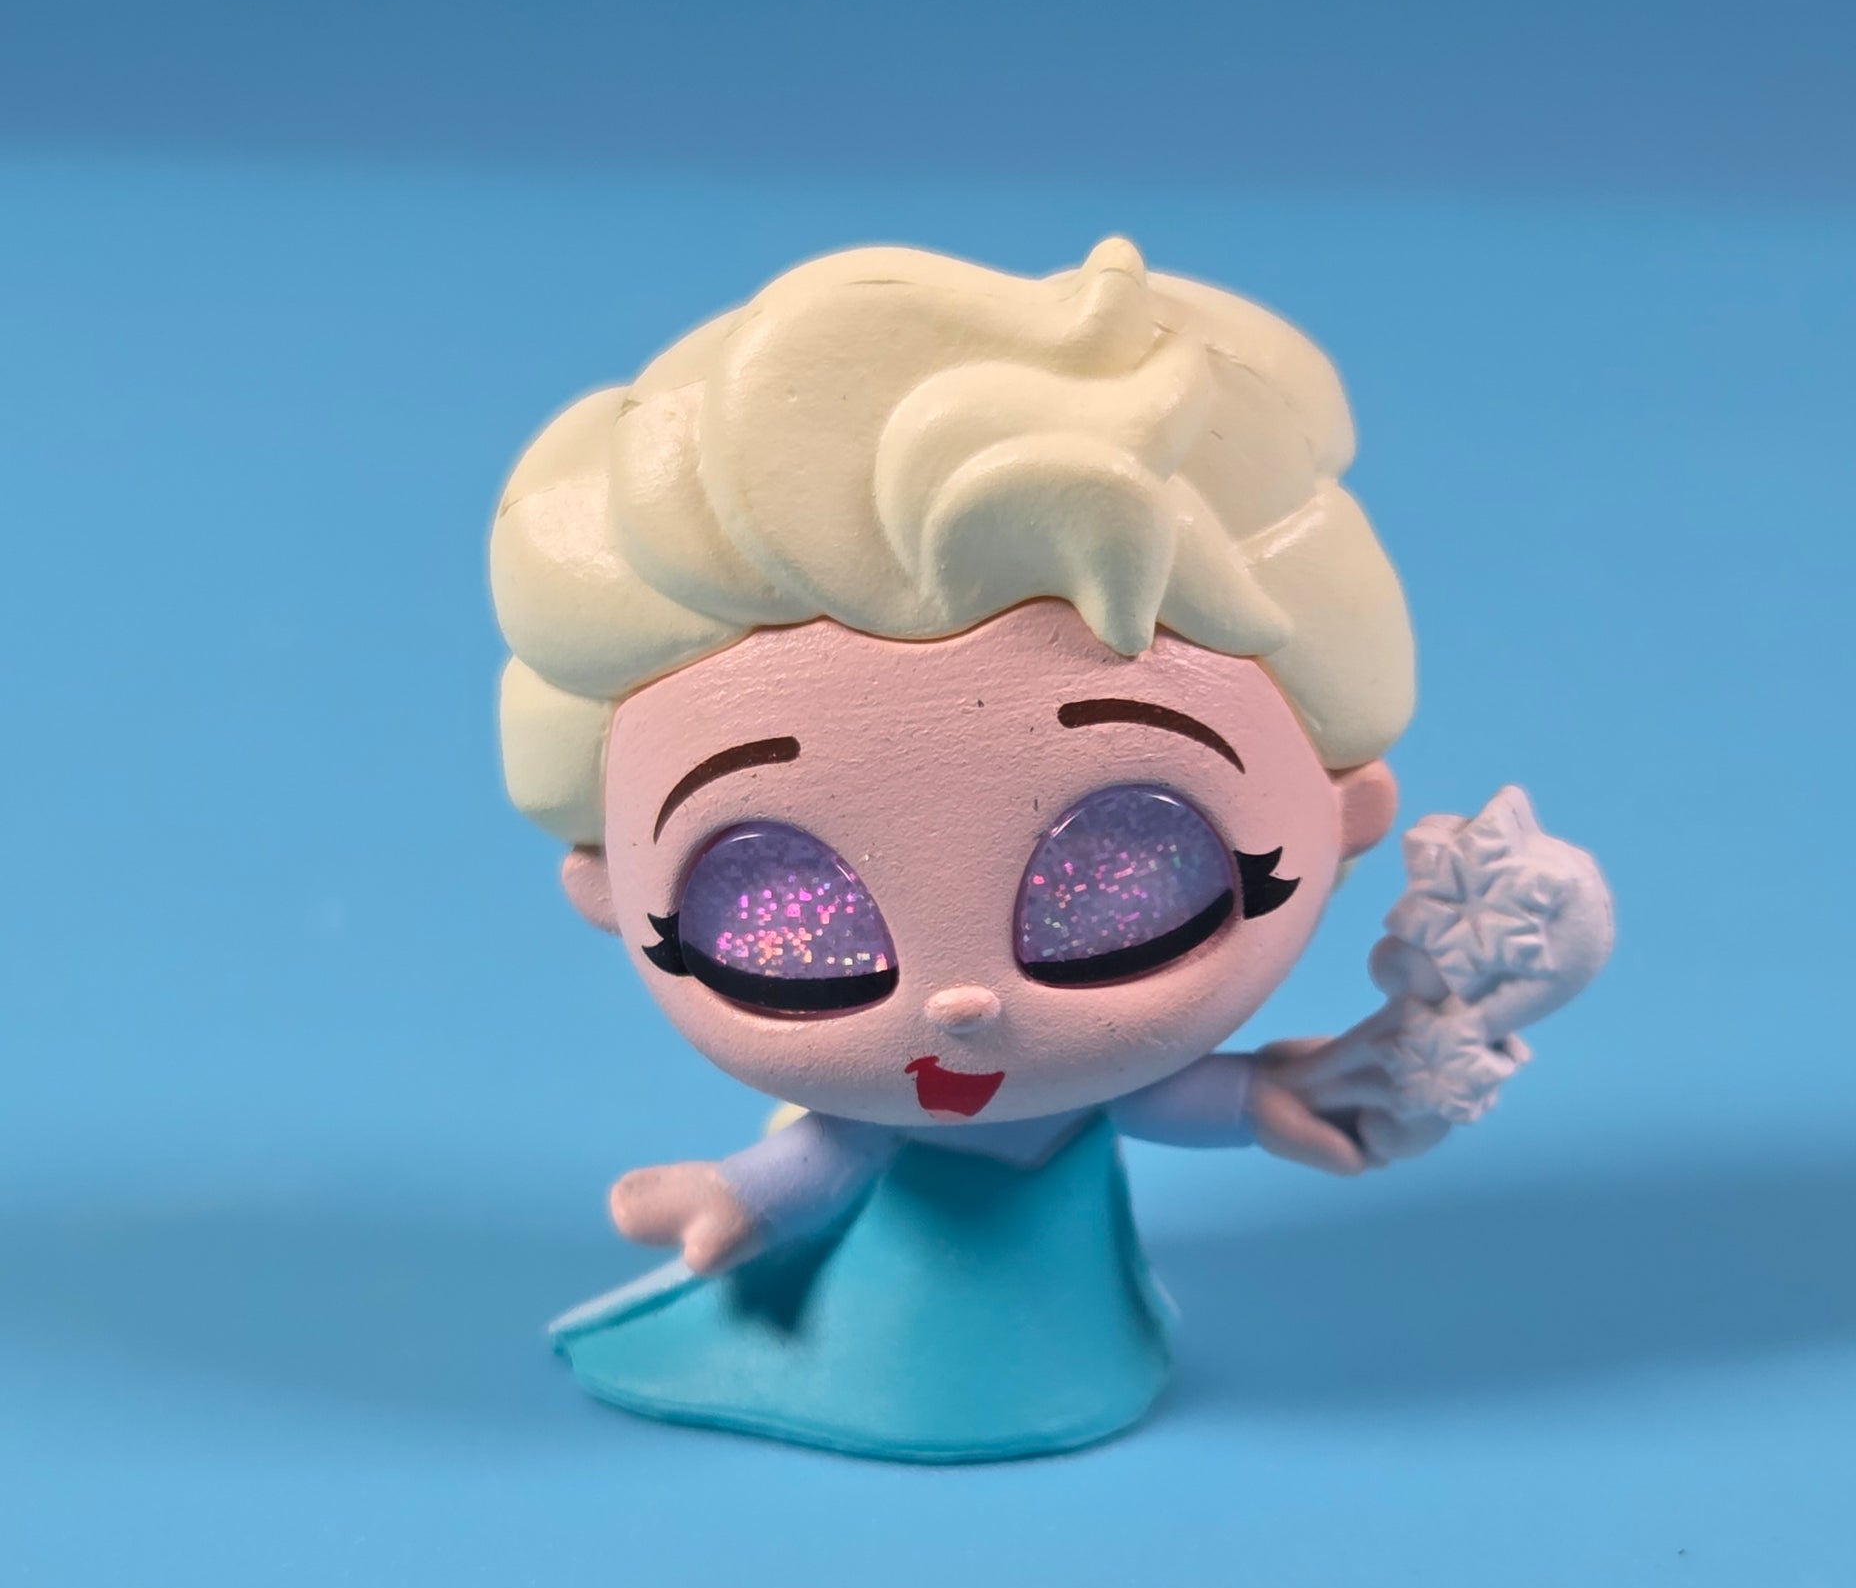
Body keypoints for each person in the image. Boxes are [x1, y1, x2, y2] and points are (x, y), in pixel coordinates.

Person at [488, 238, 1607, 1460]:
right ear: (611, 888)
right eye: (787, 923)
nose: (961, 1005)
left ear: (1342, 808)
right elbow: (828, 1154)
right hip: (895, 1328)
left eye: (1125, 895)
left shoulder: (1096, 1072)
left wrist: (1287, 1094)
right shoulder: (880, 1105)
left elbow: (1188, 1096)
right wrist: (733, 1198)